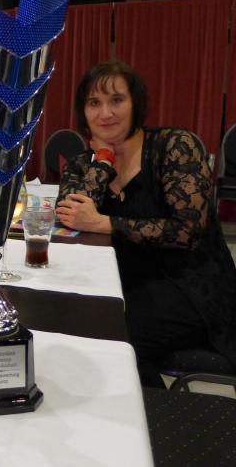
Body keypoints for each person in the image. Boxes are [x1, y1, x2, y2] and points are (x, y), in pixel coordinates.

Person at [55, 60, 236, 387]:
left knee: (113, 336)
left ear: (135, 103)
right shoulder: (82, 164)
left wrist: (107, 223)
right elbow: (73, 218)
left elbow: (187, 231)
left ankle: (151, 415)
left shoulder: (175, 145)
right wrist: (104, 161)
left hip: (190, 286)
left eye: (116, 100)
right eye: (94, 103)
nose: (105, 113)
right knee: (72, 322)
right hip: (122, 284)